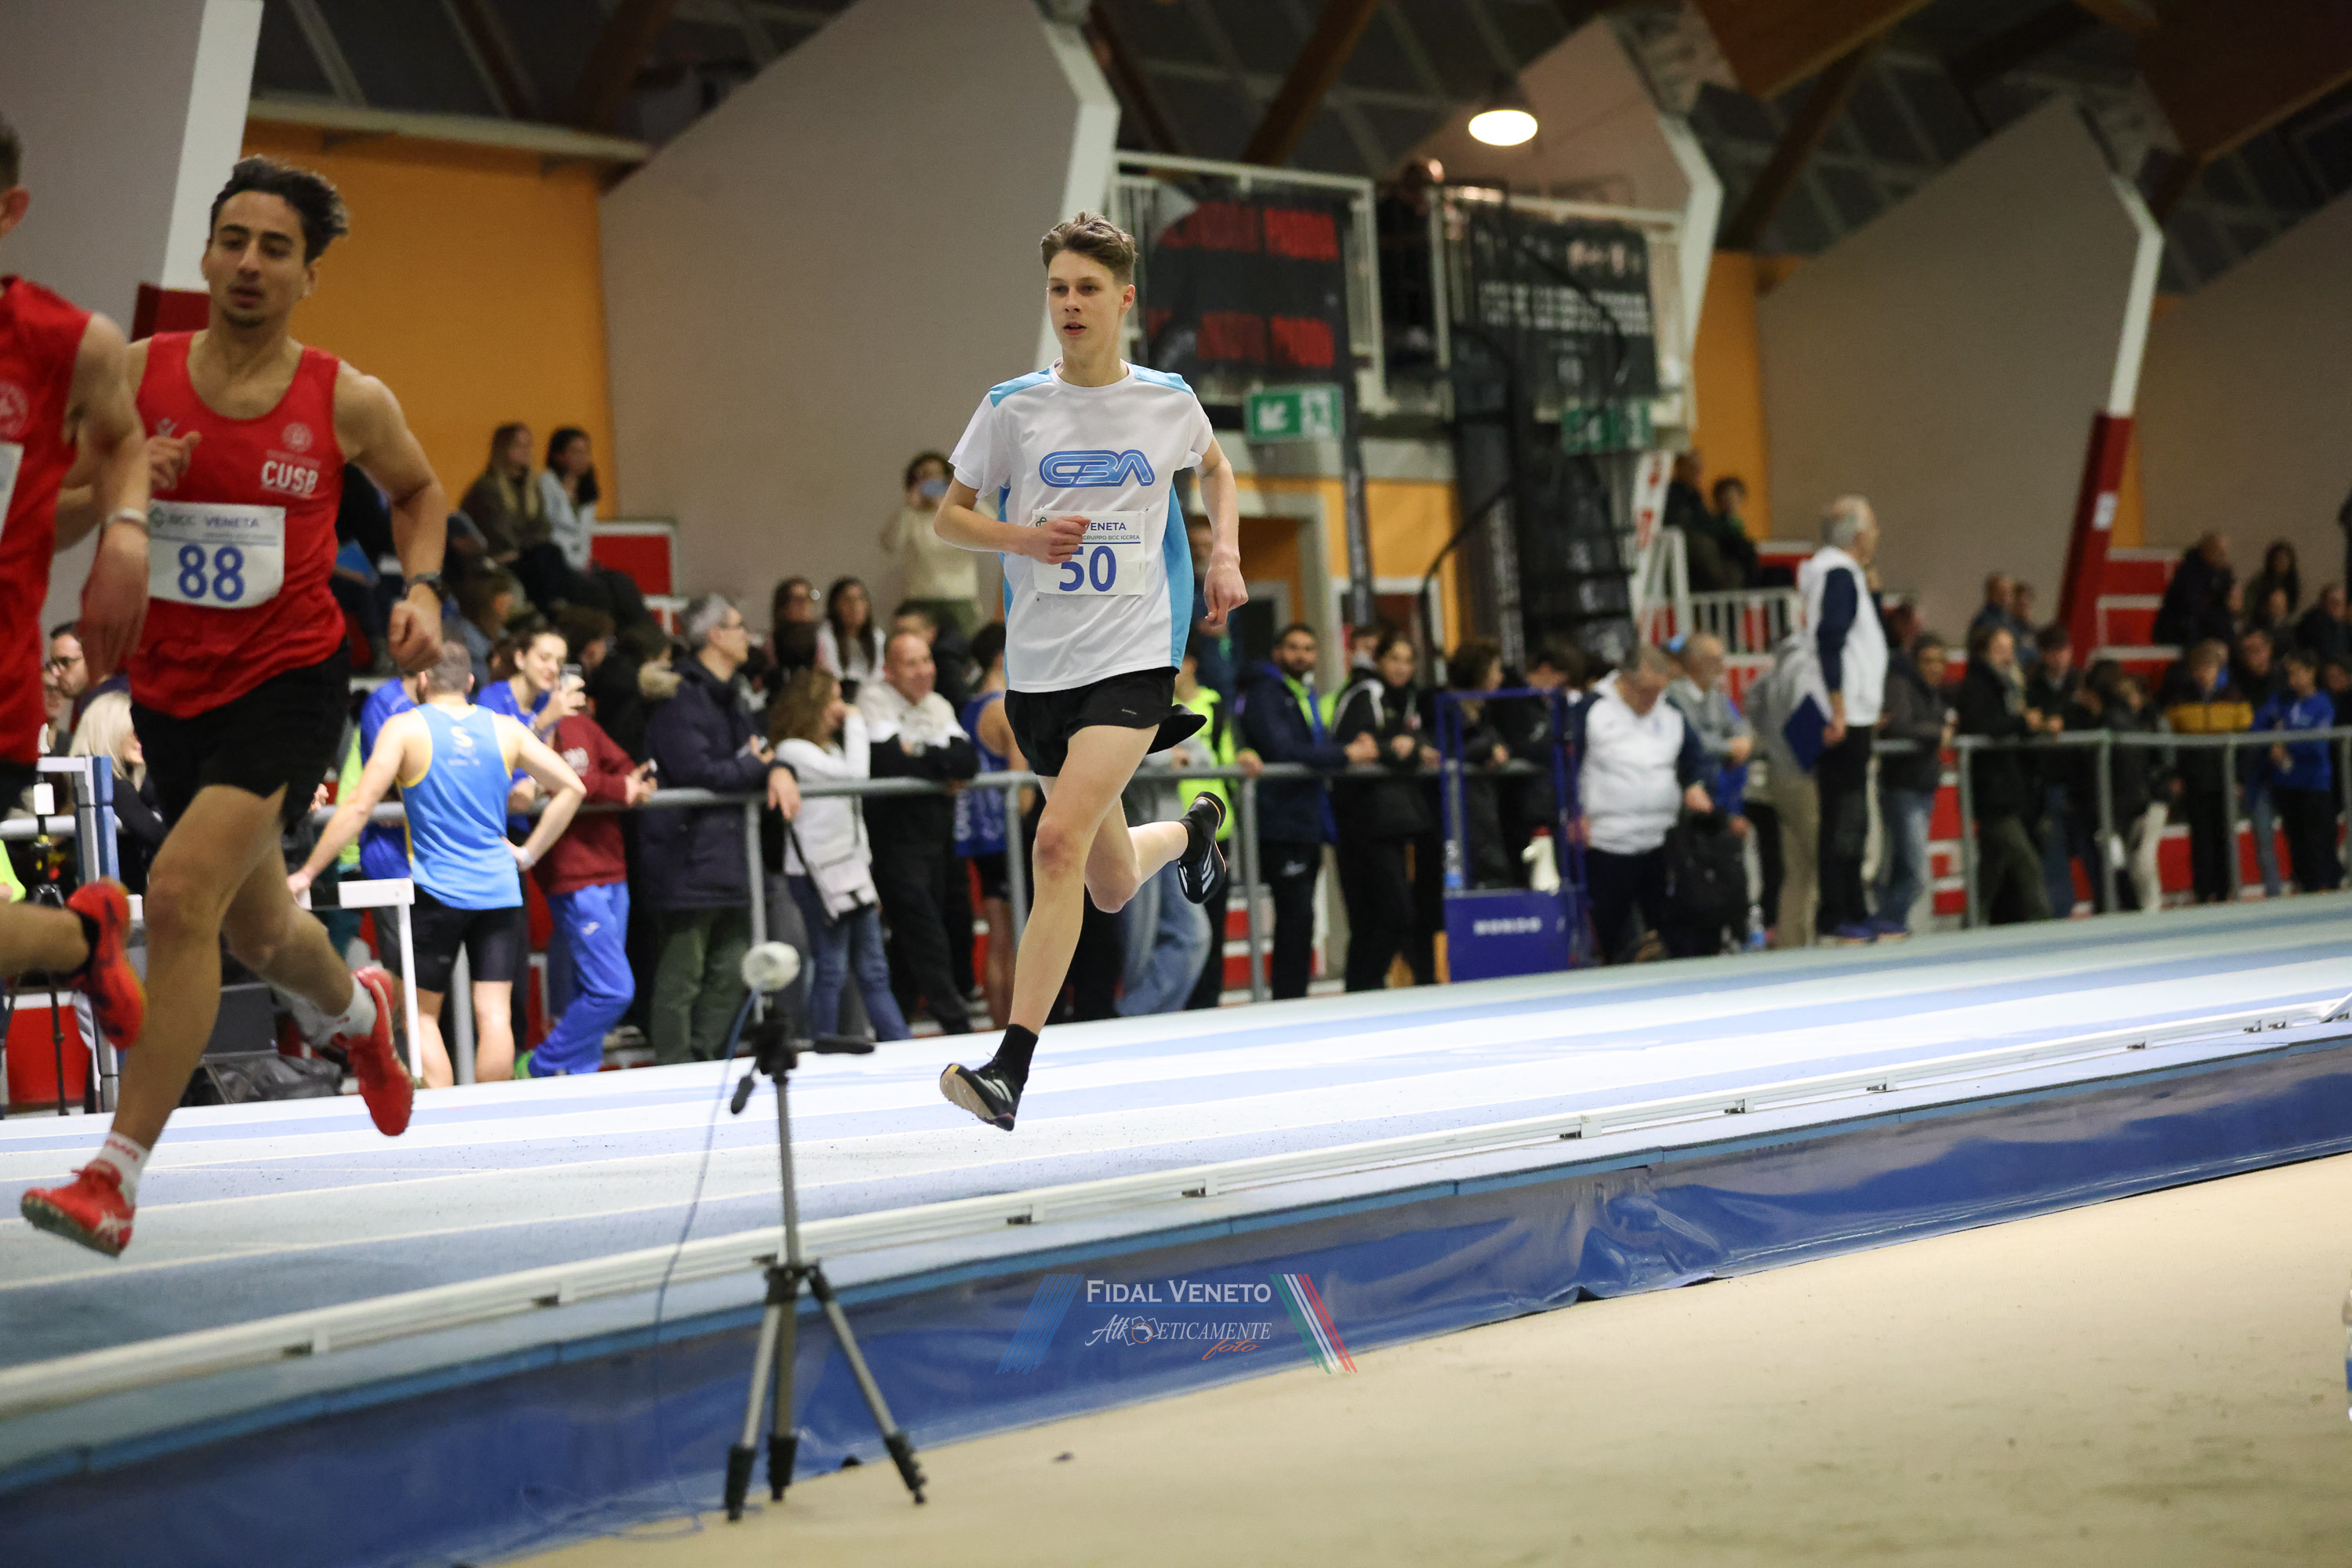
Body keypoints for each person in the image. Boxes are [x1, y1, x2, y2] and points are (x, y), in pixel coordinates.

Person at [23, 157, 453, 1257]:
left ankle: (115, 1174)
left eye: (276, 248)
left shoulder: (346, 398)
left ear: (309, 275)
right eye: (234, 241)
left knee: (177, 895)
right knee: (260, 929)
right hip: (172, 693)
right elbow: (53, 515)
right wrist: (128, 488)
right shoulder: (135, 375)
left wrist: (420, 586)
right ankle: (361, 1015)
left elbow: (419, 490)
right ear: (208, 256)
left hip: (290, 683)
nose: (250, 263)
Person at [929, 212, 1241, 1130]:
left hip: (1134, 657)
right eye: (1059, 289)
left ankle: (1009, 1068)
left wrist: (1224, 554)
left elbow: (1217, 469)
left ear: (1123, 299)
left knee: (1055, 842)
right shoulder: (1012, 405)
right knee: (1106, 881)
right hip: (1040, 670)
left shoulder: (1167, 400)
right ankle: (1191, 832)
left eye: (1088, 288)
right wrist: (1022, 537)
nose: (1070, 303)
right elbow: (950, 516)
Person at [293, 641, 583, 1083]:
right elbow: (573, 788)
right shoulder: (505, 729)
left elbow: (359, 806)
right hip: (500, 887)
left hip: (436, 891)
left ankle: (447, 1114)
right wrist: (527, 854)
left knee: (421, 1017)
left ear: (423, 679)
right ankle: (493, 1117)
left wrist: (308, 872)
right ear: (470, 682)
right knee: (495, 1015)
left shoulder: (405, 728)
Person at [641, 593, 801, 1063]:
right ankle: (675, 1071)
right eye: (738, 625)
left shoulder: (732, 696)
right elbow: (700, 772)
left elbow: (760, 751)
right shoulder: (681, 699)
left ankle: (706, 1064)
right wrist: (760, 764)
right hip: (687, 859)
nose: (747, 634)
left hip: (729, 858)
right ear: (714, 635)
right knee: (683, 976)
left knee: (732, 972)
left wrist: (776, 768)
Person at [771, 667, 911, 1040]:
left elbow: (853, 808)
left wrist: (866, 867)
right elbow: (855, 776)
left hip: (851, 870)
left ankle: (899, 1042)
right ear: (813, 704)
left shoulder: (831, 749)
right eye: (833, 699)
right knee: (830, 967)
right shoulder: (793, 750)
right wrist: (856, 722)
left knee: (874, 969)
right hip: (815, 874)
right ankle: (824, 1045)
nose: (842, 707)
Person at [528, 677, 654, 1076]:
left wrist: (634, 782)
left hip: (611, 867)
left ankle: (582, 1076)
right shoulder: (530, 730)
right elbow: (567, 782)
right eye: (546, 662)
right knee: (612, 990)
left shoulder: (584, 726)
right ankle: (540, 1065)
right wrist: (619, 787)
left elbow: (622, 763)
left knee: (591, 988)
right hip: (573, 873)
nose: (558, 675)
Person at [859, 628, 979, 1034]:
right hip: (894, 838)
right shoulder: (874, 699)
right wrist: (939, 762)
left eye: (926, 661)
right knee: (923, 932)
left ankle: (897, 1026)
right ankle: (957, 1025)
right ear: (888, 671)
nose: (924, 671)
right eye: (910, 664)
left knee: (922, 932)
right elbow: (887, 761)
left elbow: (967, 762)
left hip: (937, 838)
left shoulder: (938, 703)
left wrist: (920, 754)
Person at [1240, 622, 1368, 999]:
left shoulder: (1304, 693)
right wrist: (1345, 754)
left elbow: (1310, 744)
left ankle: (1293, 996)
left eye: (1309, 648)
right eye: (1294, 647)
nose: (1302, 655)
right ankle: (1287, 1000)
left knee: (1302, 917)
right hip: (1281, 820)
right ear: (1277, 652)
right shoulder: (1267, 692)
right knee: (1295, 916)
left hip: (1306, 819)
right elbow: (1282, 749)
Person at [1576, 645, 1715, 962]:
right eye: (1646, 691)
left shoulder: (1670, 712)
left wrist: (1696, 784)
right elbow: (1567, 765)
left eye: (1659, 691)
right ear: (1625, 680)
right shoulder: (1592, 710)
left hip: (1661, 840)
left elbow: (1697, 758)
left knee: (1671, 926)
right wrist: (1574, 813)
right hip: (1608, 841)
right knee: (1609, 930)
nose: (1652, 699)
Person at [1798, 495, 1886, 944]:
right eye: (1873, 527)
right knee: (1845, 817)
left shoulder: (1841, 574)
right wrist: (1838, 706)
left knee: (1850, 816)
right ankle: (1837, 912)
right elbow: (1830, 640)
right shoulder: (1838, 574)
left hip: (1852, 709)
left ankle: (1852, 906)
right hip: (1843, 713)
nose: (1877, 535)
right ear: (1858, 535)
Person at [1330, 626, 1437, 990]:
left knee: (1381, 914)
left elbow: (1414, 742)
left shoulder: (1407, 698)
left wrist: (1408, 746)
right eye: (1394, 659)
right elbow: (1357, 748)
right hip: (1363, 822)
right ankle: (1364, 986)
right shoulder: (1366, 694)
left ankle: (1363, 988)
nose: (1402, 668)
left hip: (1392, 822)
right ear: (1378, 661)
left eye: (1408, 661)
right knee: (1389, 911)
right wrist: (1397, 749)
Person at [1955, 626, 2056, 924]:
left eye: (2010, 649)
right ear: (1983, 652)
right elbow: (1983, 726)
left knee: (1991, 867)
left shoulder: (2007, 686)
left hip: (2004, 787)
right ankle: (2044, 924)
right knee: (2026, 862)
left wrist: (2030, 725)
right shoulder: (1978, 687)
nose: (2008, 656)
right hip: (1992, 791)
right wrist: (2021, 722)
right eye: (2000, 649)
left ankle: (1971, 924)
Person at [1174, 633, 1252, 1009]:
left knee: (1213, 919)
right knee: (1180, 925)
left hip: (1216, 830)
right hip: (1169, 831)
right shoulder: (1155, 708)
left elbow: (1230, 756)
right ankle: (1180, 1003)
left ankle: (1208, 1002)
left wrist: (1245, 757)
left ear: (1190, 663)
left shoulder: (1214, 704)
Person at [957, 622, 1024, 1027]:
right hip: (1005, 836)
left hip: (979, 836)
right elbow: (1023, 790)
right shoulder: (1003, 708)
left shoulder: (970, 707)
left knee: (999, 937)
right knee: (1011, 941)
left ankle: (1001, 1027)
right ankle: (1011, 1028)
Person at [2160, 639, 2250, 905]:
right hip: (2195, 778)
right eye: (2198, 667)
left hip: (2224, 777)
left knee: (2224, 834)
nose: (2203, 672)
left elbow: (2245, 743)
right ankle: (2203, 889)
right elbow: (2172, 744)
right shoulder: (2181, 699)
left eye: (2208, 667)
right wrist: (2175, 774)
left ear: (2218, 668)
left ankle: (2224, 889)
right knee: (2200, 836)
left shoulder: (2234, 697)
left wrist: (2240, 778)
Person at [1871, 634, 1950, 935]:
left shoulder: (1931, 693)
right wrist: (1937, 733)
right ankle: (1886, 921)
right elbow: (1898, 726)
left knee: (1901, 867)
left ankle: (1890, 924)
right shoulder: (1901, 685)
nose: (1935, 667)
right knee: (1916, 873)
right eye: (1928, 661)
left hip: (1920, 787)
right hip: (1903, 788)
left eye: (1940, 661)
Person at [2027, 625, 2100, 916]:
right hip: (2051, 780)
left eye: (2065, 651)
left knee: (2091, 847)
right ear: (2043, 655)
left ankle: (2108, 905)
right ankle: (2060, 911)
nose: (2061, 657)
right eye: (2054, 652)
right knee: (2054, 848)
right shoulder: (2033, 688)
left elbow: (2096, 718)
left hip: (2084, 781)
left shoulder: (2084, 683)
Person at [2255, 648, 2341, 893]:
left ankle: (2326, 890)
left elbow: (2317, 744)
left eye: (2296, 673)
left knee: (2318, 844)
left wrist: (2285, 744)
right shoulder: (2283, 701)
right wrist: (2273, 741)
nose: (2292, 680)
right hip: (2287, 785)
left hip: (2314, 784)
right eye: (2289, 674)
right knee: (2296, 844)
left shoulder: (2323, 704)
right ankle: (2306, 889)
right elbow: (2257, 726)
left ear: (2311, 672)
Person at [880, 450, 979, 637]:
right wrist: (909, 506)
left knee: (960, 651)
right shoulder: (911, 515)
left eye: (936, 475)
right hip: (920, 599)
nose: (931, 481)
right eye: (924, 475)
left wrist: (959, 497)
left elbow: (994, 524)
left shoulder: (961, 512)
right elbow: (890, 544)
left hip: (959, 599)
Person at [2100, 670, 2169, 913]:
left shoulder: (2152, 722)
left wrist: (2156, 787)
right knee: (2134, 857)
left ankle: (2152, 904)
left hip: (2153, 798)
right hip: (2138, 799)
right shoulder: (2128, 724)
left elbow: (2163, 762)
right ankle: (2146, 904)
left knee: (2143, 855)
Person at [2232, 626, 2285, 898]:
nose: (2253, 656)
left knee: (2302, 835)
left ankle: (2312, 890)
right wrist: (2240, 777)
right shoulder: (2235, 689)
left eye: (2257, 649)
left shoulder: (2286, 683)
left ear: (2269, 649)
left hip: (2290, 772)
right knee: (2263, 840)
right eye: (2247, 652)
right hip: (2256, 775)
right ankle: (2274, 896)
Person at [460, 423, 536, 568]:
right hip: (496, 559)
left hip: (524, 554)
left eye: (528, 446)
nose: (526, 451)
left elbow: (542, 527)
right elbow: (498, 533)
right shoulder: (487, 487)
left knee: (549, 553)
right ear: (503, 449)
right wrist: (527, 549)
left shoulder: (532, 488)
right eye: (519, 446)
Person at [1185, 516, 1239, 699]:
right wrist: (1196, 628)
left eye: (1206, 546)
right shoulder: (1177, 587)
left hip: (1225, 679)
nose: (1200, 552)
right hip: (1188, 680)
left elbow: (1238, 635)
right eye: (1194, 546)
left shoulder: (1230, 587)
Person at [2154, 532, 2235, 647]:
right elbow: (2191, 606)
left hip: (2206, 623)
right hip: (2181, 626)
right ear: (2207, 550)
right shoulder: (2189, 573)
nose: (2223, 556)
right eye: (2220, 552)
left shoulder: (2223, 574)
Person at [537, 426, 599, 575]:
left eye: (586, 452)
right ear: (558, 456)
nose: (583, 458)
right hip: (555, 564)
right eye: (576, 452)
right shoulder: (545, 486)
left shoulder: (587, 493)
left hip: (582, 564)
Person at [817, 575, 880, 696]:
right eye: (847, 600)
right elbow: (833, 674)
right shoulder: (825, 636)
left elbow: (878, 674)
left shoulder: (877, 636)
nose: (855, 606)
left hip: (870, 696)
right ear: (835, 606)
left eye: (860, 599)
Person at [2245, 540, 2301, 623]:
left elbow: (2293, 606)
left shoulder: (2292, 583)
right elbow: (2249, 603)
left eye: (2284, 560)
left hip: (2282, 623)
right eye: (2277, 559)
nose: (2281, 563)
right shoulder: (2261, 581)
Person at [2296, 583, 2349, 666]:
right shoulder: (2314, 623)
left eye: (2341, 603)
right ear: (2324, 603)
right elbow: (2329, 654)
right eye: (2334, 603)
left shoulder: (2344, 626)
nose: (2338, 608)